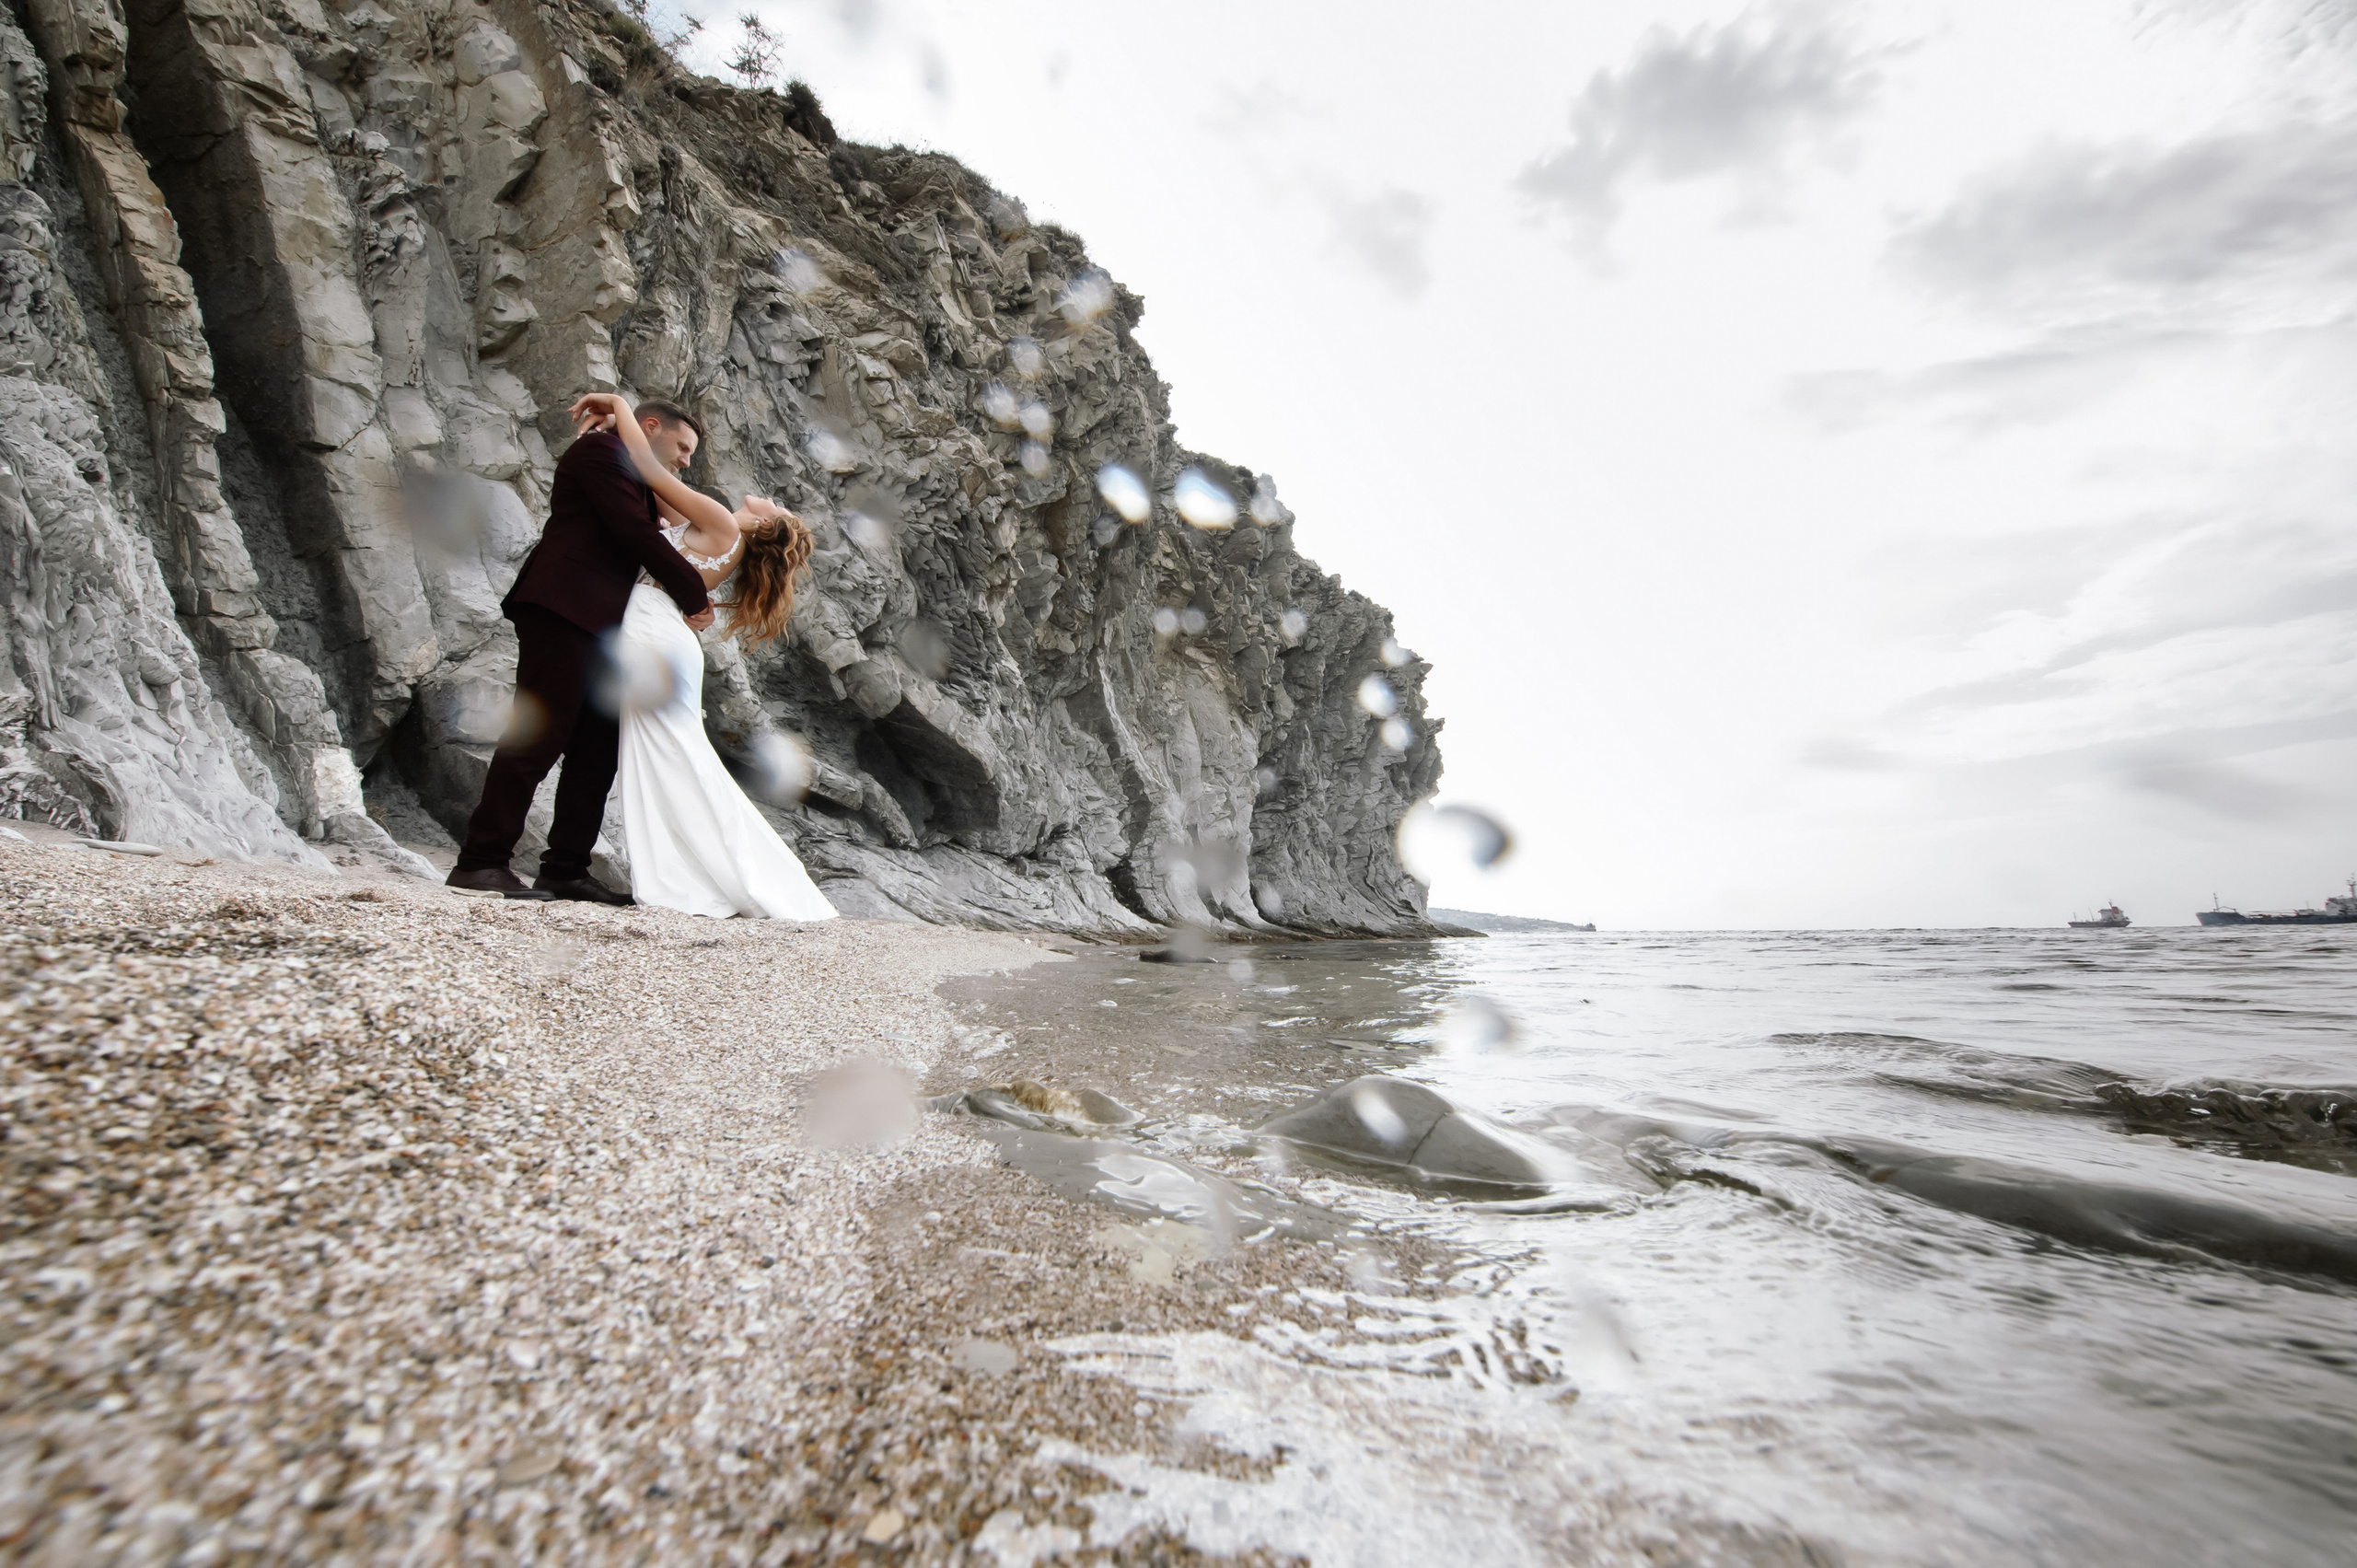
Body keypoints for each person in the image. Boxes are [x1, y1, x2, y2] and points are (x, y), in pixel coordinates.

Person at [572, 390, 839, 922]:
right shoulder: (716, 528)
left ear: (768, 525)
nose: (772, 497)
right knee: (673, 756)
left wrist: (620, 405)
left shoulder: (720, 521)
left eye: (779, 507)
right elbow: (650, 486)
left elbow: (648, 466)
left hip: (653, 629)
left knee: (670, 757)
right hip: (663, 634)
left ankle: (707, 875)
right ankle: (704, 871)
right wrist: (617, 430)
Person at [447, 398, 714, 902]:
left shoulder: (634, 467)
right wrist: (694, 594)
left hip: (601, 625)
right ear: (650, 426)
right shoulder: (599, 453)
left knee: (596, 749)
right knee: (537, 736)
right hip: (562, 608)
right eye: (682, 447)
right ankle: (480, 862)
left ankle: (565, 870)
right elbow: (633, 532)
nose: (685, 460)